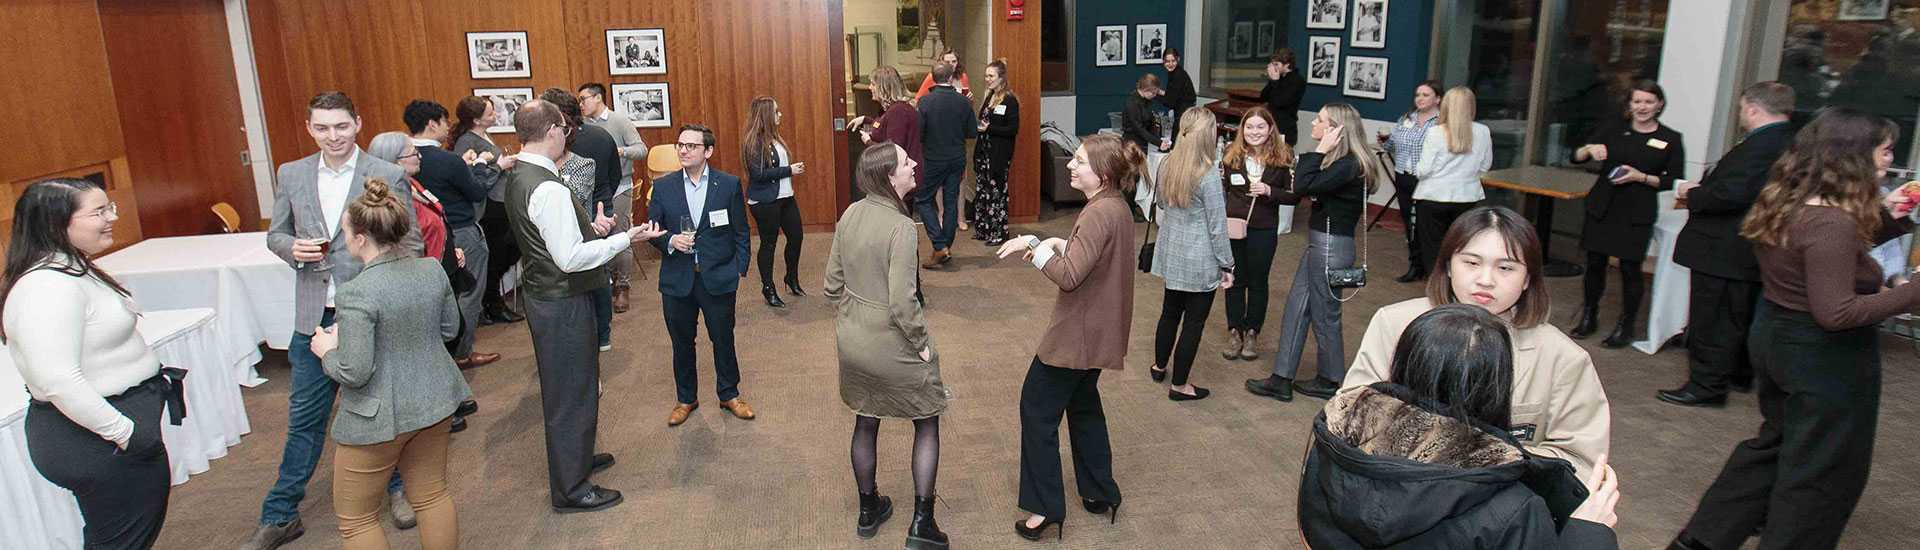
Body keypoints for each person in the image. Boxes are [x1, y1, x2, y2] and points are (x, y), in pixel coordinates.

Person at [1670, 107, 1920, 550]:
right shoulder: (1832, 225)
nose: (1889, 160)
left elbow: (1821, 256)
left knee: (1774, 449)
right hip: (1822, 358)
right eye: (1885, 150)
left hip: (1778, 339)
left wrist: (1894, 216)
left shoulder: (1791, 202)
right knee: (1823, 474)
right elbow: (1837, 313)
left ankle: (1702, 541)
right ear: (1853, 156)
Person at [246, 91, 421, 550]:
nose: (333, 136)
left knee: (383, 407)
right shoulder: (292, 173)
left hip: (369, 309)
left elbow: (411, 243)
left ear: (358, 124)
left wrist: (381, 298)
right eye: (322, 128)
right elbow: (275, 233)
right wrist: (291, 249)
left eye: (341, 126)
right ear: (309, 128)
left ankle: (399, 490)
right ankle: (280, 513)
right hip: (314, 314)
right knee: (305, 416)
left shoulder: (384, 174)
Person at [1299, 305, 1622, 549]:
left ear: (1400, 366)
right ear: (1498, 386)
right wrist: (1587, 534)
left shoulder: (1334, 444)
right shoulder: (1514, 507)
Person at [1338, 206, 1612, 479]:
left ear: (1528, 278)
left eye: (1505, 268)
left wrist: (1488, 463)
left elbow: (1582, 460)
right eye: (1471, 263)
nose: (1485, 280)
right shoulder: (1394, 323)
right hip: (1400, 492)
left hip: (1505, 508)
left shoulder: (1563, 357)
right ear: (1447, 265)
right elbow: (1351, 414)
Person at [502, 99, 665, 514]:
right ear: (554, 130)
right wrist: (623, 239)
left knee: (573, 384)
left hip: (549, 295)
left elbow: (552, 238)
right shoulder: (548, 187)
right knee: (570, 391)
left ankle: (574, 457)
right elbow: (570, 258)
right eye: (565, 129)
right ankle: (572, 488)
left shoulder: (522, 174)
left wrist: (591, 229)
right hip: (563, 300)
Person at [3, 178, 184, 549]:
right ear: (56, 223)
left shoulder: (72, 268)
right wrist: (126, 434)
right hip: (95, 436)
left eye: (109, 208)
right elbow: (58, 381)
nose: (112, 217)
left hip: (106, 431)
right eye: (99, 212)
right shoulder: (47, 287)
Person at [992, 134, 1143, 541]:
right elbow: (1094, 258)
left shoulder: (1097, 213)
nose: (1071, 166)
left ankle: (1044, 509)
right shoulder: (1116, 207)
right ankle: (1099, 492)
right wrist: (1058, 243)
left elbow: (1072, 276)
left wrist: (1034, 247)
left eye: (1079, 161)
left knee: (1036, 410)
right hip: (1100, 333)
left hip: (1076, 337)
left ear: (1104, 172)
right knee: (1084, 408)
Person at [308, 179, 470, 550]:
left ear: (361, 238)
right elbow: (449, 328)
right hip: (435, 401)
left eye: (345, 231)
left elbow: (355, 370)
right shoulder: (431, 269)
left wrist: (327, 350)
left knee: (357, 520)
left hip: (378, 416)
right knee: (431, 495)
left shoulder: (356, 292)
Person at [826, 143, 951, 550]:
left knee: (866, 418)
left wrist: (855, 314)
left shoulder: (849, 214)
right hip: (892, 340)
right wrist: (922, 345)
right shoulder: (901, 227)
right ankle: (922, 525)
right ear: (888, 177)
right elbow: (902, 302)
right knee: (928, 419)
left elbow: (831, 284)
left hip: (853, 339)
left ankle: (868, 510)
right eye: (904, 162)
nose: (914, 163)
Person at [1657, 82, 1796, 407]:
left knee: (1713, 320)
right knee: (1737, 316)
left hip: (1723, 247)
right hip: (1746, 246)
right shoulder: (1787, 141)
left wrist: (1692, 194)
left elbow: (1730, 195)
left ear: (1752, 108)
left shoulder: (1762, 144)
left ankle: (1706, 386)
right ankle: (1737, 374)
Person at [1245, 103, 1388, 402]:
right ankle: (1281, 378)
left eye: (1320, 121)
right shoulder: (1344, 164)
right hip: (1321, 244)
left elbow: (1303, 186)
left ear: (1336, 129)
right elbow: (1309, 186)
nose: (1313, 126)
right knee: (1297, 309)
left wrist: (1319, 149)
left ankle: (1331, 378)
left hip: (1330, 246)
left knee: (1325, 316)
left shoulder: (1349, 164)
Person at [366, 132, 482, 439]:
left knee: (442, 337)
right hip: (417, 275)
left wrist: (450, 245)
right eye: (410, 153)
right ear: (392, 162)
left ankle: (450, 402)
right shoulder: (387, 200)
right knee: (430, 343)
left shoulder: (412, 184)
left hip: (437, 266)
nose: (418, 156)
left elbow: (434, 221)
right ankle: (438, 411)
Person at [648, 123, 758, 427]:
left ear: (707, 151)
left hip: (718, 276)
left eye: (691, 146)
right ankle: (686, 398)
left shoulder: (728, 184)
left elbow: (740, 229)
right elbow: (652, 230)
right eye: (680, 145)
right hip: (677, 278)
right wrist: (670, 240)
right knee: (681, 342)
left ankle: (729, 394)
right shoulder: (664, 186)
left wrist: (740, 266)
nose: (683, 150)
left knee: (723, 338)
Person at [1568, 80, 1685, 348]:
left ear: (1659, 105)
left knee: (1631, 269)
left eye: (1648, 102)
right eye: (1637, 101)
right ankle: (1589, 315)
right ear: (1629, 105)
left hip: (1637, 210)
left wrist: (1641, 177)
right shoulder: (1613, 129)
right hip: (1603, 206)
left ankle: (1626, 324)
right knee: (1595, 264)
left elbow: (1673, 181)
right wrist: (1587, 150)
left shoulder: (1670, 139)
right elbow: (1575, 156)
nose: (1642, 107)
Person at [402, 100, 498, 370]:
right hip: (461, 232)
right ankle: (462, 352)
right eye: (444, 122)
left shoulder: (395, 161)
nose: (448, 128)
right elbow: (478, 191)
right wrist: (480, 164)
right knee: (468, 292)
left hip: (420, 238)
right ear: (432, 124)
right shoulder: (447, 159)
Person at [1146, 108, 1234, 401]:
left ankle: (1159, 367)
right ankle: (1180, 385)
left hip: (1171, 252)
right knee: (1193, 323)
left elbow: (1159, 202)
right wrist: (1227, 264)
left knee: (1169, 312)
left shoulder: (1167, 163)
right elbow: (1217, 227)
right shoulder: (1208, 174)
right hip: (1200, 258)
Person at [540, 89, 618, 351]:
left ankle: (596, 335)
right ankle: (601, 333)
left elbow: (608, 177)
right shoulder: (599, 136)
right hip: (599, 210)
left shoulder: (587, 151)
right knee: (598, 273)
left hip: (592, 216)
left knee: (592, 275)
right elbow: (613, 179)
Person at [1218, 106, 1296, 362]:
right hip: (1234, 227)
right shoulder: (1231, 155)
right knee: (1234, 279)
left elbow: (1293, 196)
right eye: (1249, 127)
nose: (1254, 132)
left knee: (1258, 280)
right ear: (1242, 130)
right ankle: (1234, 331)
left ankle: (1252, 331)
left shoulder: (1283, 157)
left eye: (1260, 127)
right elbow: (1222, 190)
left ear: (1270, 129)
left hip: (1264, 227)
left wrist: (1269, 191)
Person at [450, 95, 524, 326]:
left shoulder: (481, 136)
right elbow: (473, 180)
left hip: (500, 201)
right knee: (497, 256)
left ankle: (490, 301)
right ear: (476, 119)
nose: (495, 116)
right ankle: (492, 303)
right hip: (490, 207)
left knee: (508, 251)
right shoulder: (466, 142)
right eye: (490, 113)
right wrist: (499, 166)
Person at [578, 82, 649, 313]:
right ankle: (603, 283)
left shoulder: (619, 121)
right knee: (596, 238)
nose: (581, 104)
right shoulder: (582, 126)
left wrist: (619, 151)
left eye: (584, 99)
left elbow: (641, 149)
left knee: (620, 235)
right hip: (591, 191)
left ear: (598, 98)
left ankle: (622, 286)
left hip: (619, 187)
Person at [1412, 86, 1494, 283]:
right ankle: (1459, 283)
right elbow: (1485, 165)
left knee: (1432, 246)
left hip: (1433, 197)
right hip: (1467, 197)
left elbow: (1423, 170)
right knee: (1461, 246)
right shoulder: (1482, 131)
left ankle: (1437, 286)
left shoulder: (1435, 133)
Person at [742, 96, 809, 308]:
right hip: (764, 201)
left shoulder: (776, 138)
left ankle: (791, 277)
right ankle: (768, 287)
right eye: (776, 111)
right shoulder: (753, 142)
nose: (780, 114)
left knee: (796, 236)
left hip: (785, 198)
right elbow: (758, 174)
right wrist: (789, 170)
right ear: (765, 115)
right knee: (768, 243)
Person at [916, 62, 978, 269]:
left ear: (933, 79)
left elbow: (919, 133)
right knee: (951, 201)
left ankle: (939, 244)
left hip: (934, 159)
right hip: (957, 159)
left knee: (924, 200)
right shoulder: (963, 103)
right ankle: (946, 247)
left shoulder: (925, 102)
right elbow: (971, 132)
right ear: (951, 78)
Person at [1379, 80, 1443, 282]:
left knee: (1426, 224)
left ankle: (1433, 268)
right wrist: (1385, 139)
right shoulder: (1407, 118)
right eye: (1418, 95)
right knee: (1410, 223)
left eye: (1426, 95)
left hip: (1427, 178)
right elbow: (1391, 145)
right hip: (1403, 175)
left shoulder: (1442, 122)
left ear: (1438, 99)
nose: (1420, 99)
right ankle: (1415, 265)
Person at [971, 59, 1021, 247]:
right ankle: (984, 229)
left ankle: (999, 233)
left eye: (991, 76)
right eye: (986, 75)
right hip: (984, 153)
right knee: (983, 190)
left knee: (996, 192)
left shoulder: (1010, 100)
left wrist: (989, 128)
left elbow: (1012, 129)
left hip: (998, 155)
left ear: (1001, 78)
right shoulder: (990, 96)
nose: (987, 79)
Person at [860, 66, 923, 196]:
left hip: (900, 181)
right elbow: (884, 126)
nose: (869, 88)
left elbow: (893, 153)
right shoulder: (894, 110)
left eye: (873, 84)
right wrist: (865, 120)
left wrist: (868, 141)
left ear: (884, 87)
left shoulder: (898, 112)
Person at [1259, 49, 1306, 146]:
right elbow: (1263, 97)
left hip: (1285, 129)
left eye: (1276, 64)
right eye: (1272, 64)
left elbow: (1280, 102)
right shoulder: (1277, 78)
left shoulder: (1297, 81)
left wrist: (1275, 82)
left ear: (1287, 65)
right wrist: (1272, 81)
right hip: (1270, 124)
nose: (1273, 67)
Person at [1156, 48, 1197, 143]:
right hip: (1183, 110)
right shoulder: (1177, 72)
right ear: (1163, 61)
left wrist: (1155, 95)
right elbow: (1175, 93)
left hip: (1184, 113)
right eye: (1167, 61)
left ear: (1178, 59)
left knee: (1177, 140)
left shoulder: (1177, 75)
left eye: (1173, 61)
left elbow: (1170, 102)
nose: (1170, 64)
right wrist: (1160, 92)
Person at [1122, 74, 1168, 153]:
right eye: (1153, 93)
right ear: (1145, 89)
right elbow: (1139, 129)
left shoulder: (1147, 101)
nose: (1155, 95)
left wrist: (1159, 141)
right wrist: (1158, 143)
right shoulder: (1132, 103)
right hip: (1132, 145)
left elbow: (1151, 124)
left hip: (1142, 143)